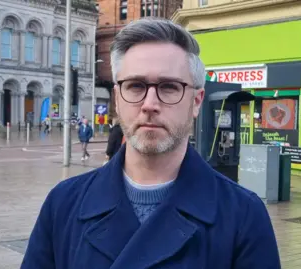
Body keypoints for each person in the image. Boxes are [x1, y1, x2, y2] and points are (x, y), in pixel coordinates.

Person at [22, 17, 280, 269]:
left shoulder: (243, 216)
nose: (150, 104)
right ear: (117, 98)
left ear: (197, 102)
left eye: (169, 87)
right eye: (135, 86)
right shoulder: (63, 204)